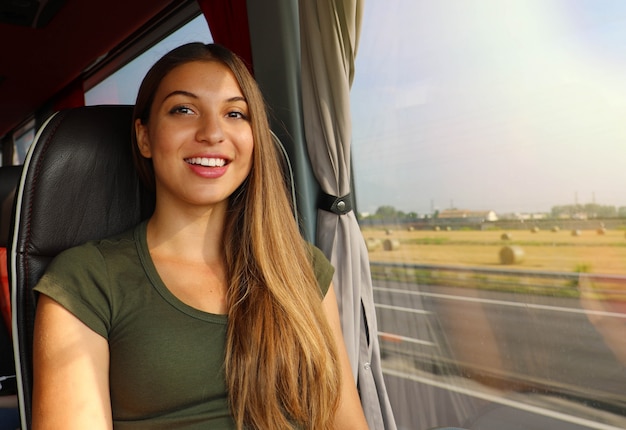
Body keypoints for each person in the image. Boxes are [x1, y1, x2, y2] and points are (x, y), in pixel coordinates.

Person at [31, 43, 368, 430]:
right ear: (144, 137)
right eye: (184, 110)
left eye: (235, 113)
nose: (212, 133)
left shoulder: (303, 268)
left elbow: (344, 421)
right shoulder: (86, 280)